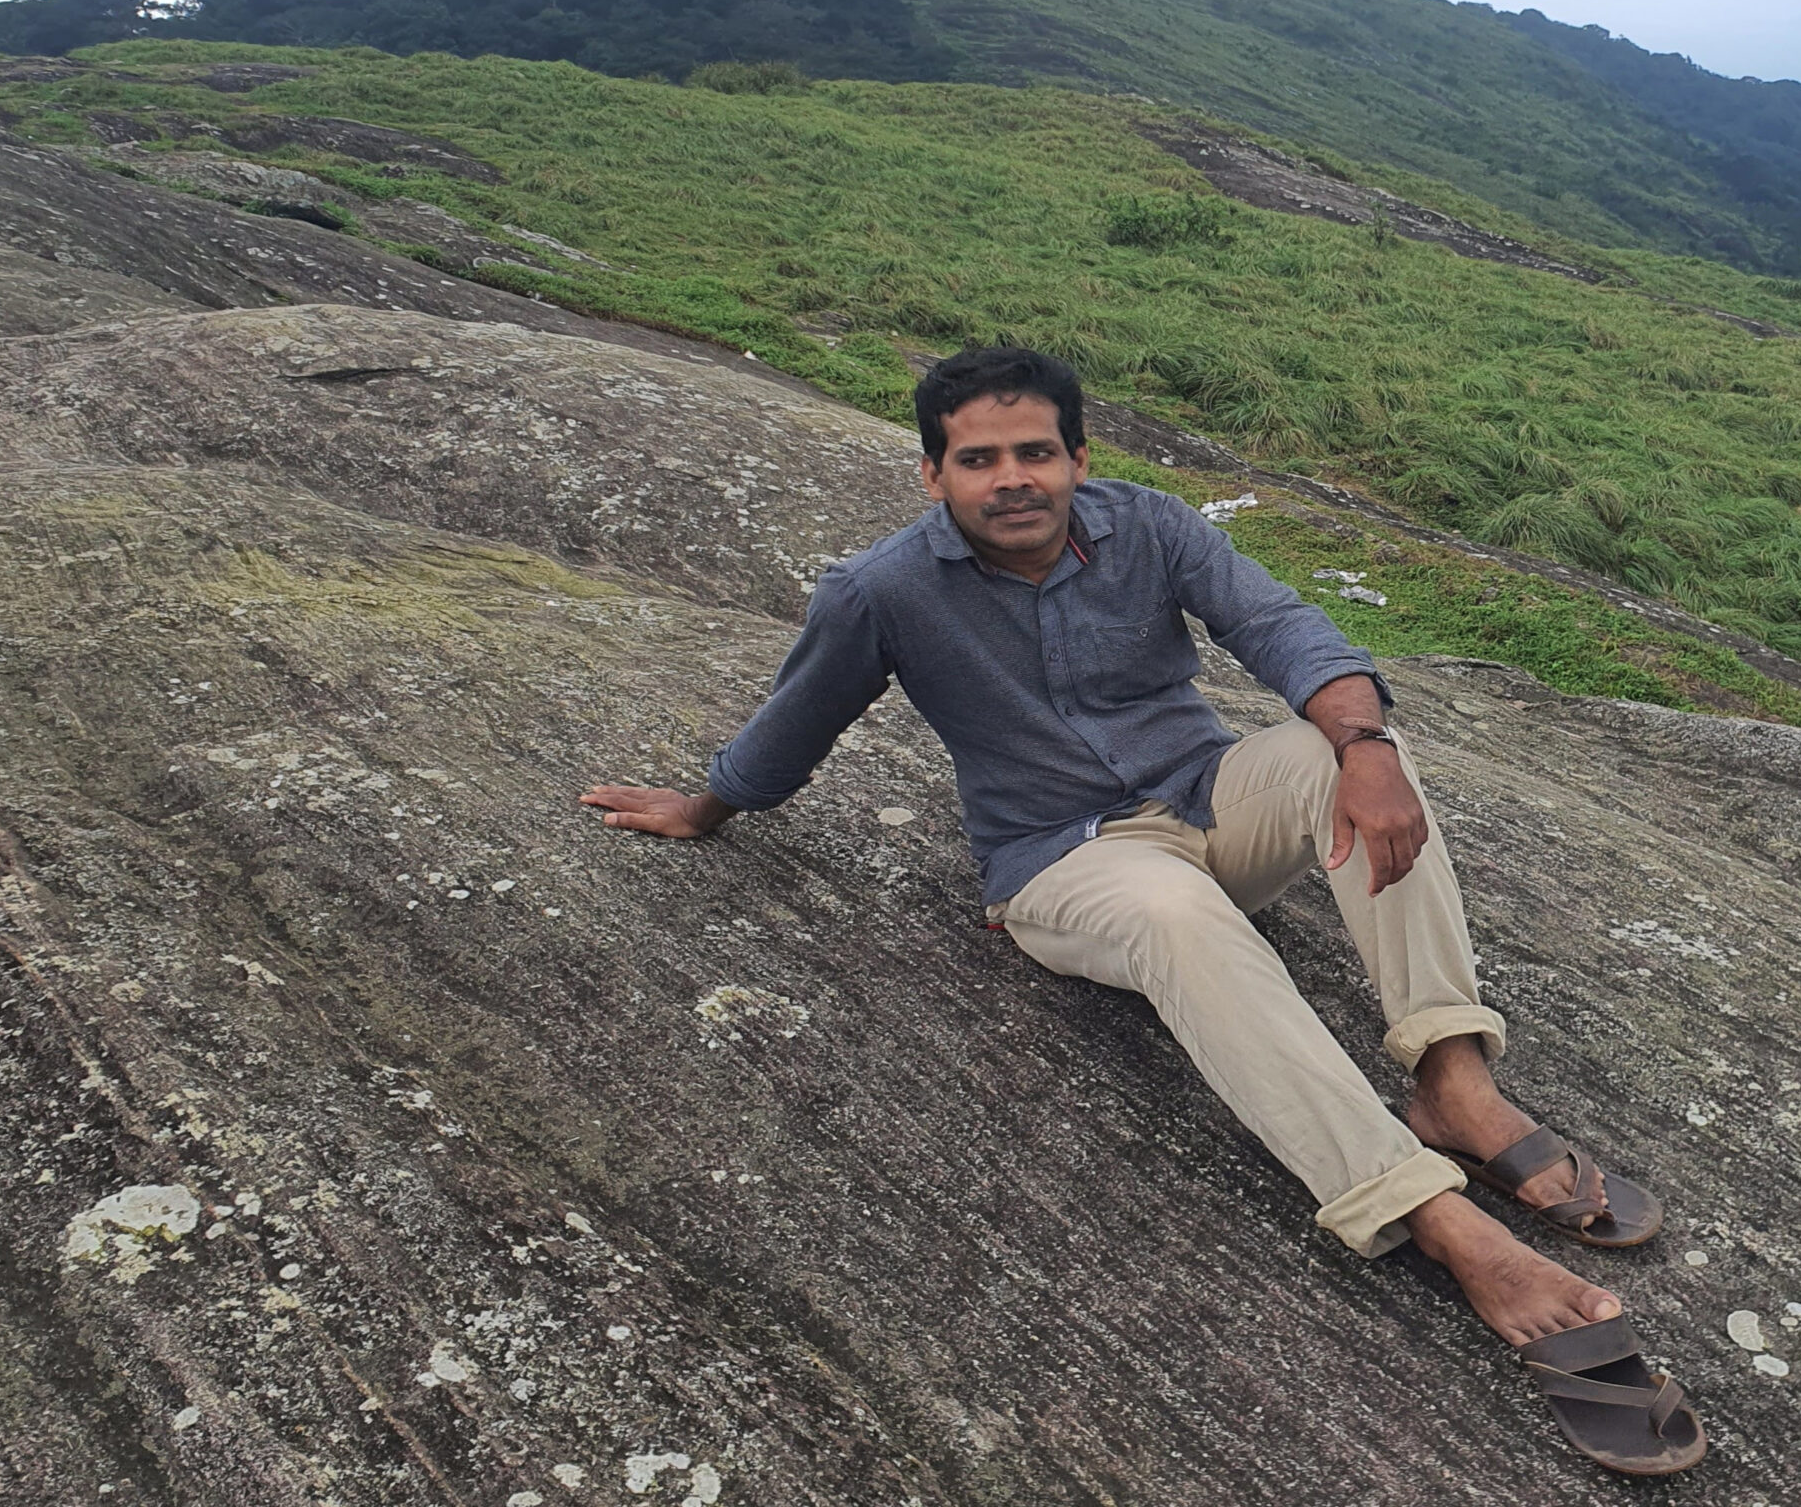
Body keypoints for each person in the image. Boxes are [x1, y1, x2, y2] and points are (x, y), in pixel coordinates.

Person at [581, 346, 1706, 1475]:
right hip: (1060, 863)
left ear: (1078, 456)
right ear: (933, 476)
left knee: (1353, 757)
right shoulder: (883, 592)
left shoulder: (1150, 527)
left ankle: (1453, 1081)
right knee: (1173, 911)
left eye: (1034, 452)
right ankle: (1439, 1218)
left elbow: (1283, 629)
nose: (1011, 478)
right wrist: (704, 806)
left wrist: (1361, 744)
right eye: (979, 459)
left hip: (1203, 797)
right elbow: (799, 718)